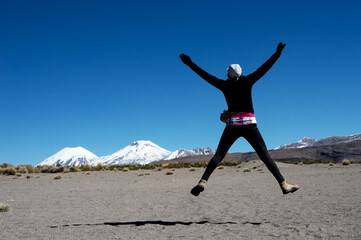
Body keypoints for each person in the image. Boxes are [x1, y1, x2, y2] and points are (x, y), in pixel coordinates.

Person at [179, 42, 299, 196]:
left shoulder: (224, 85)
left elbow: (206, 76)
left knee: (219, 155)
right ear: (241, 73)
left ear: (229, 74)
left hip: (232, 124)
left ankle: (203, 181)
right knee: (264, 155)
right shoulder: (248, 81)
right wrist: (277, 54)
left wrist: (190, 64)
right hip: (250, 124)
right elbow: (264, 68)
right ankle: (283, 184)